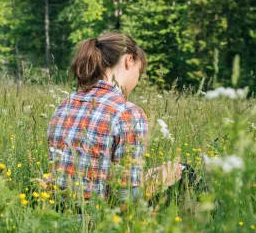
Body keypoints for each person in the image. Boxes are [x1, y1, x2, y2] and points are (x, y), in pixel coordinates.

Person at [47, 32, 186, 206]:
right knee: (187, 176)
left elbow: (88, 177)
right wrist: (162, 181)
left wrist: (146, 176)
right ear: (129, 60)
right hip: (95, 220)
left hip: (56, 214)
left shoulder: (65, 104)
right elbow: (123, 199)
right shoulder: (128, 113)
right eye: (139, 71)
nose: (137, 79)